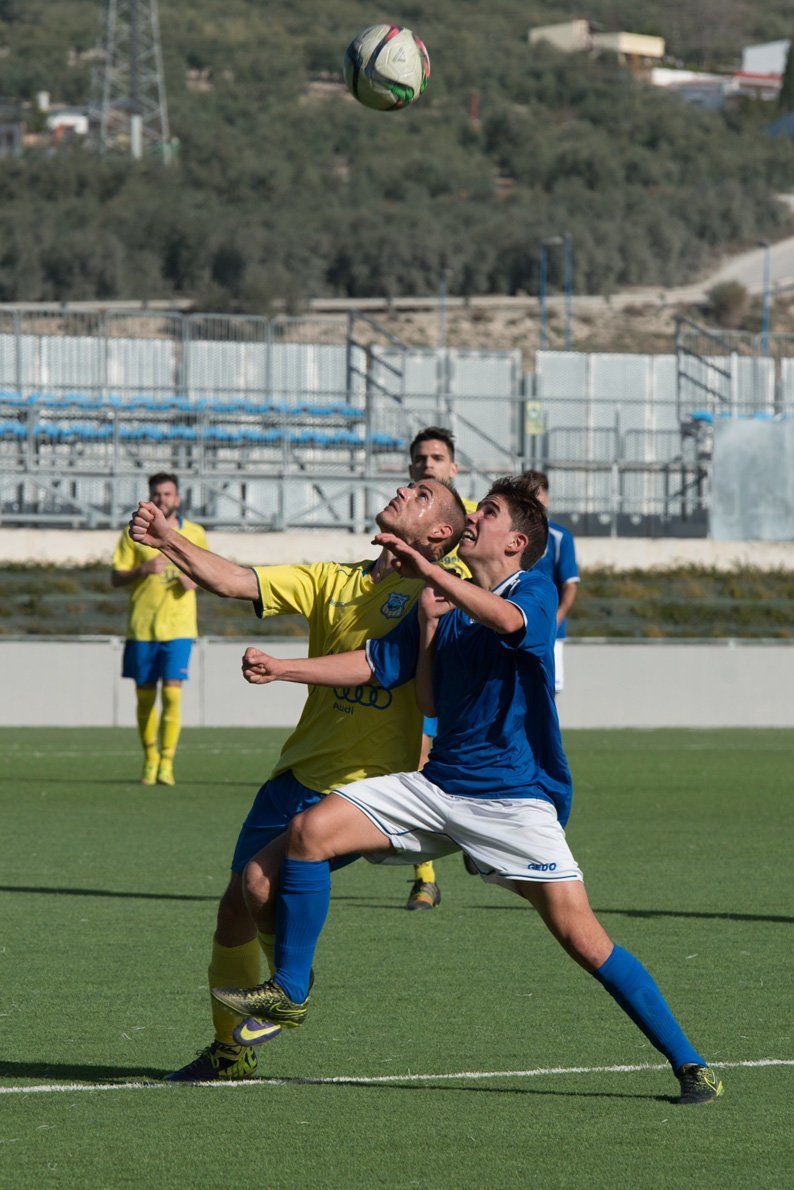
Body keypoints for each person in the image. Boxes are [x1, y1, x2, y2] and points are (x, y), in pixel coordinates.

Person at [213, 477, 723, 1106]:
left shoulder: (527, 587)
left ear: (515, 542)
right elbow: (424, 696)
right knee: (308, 833)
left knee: (583, 940)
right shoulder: (443, 602)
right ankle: (290, 992)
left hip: (512, 802)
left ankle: (690, 1062)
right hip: (440, 786)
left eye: (489, 511)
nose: (475, 518)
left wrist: (431, 574)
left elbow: (507, 621)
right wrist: (425, 626)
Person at [128, 478, 467, 1081]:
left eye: (419, 494)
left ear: (441, 532)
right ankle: (232, 1052)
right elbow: (237, 580)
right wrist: (168, 539)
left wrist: (285, 668)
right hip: (296, 771)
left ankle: (292, 981)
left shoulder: (442, 587)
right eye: (407, 484)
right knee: (233, 908)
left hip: (363, 785)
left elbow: (377, 666)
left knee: (259, 886)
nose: (401, 489)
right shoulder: (333, 579)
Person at [403, 425, 479, 910]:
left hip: (468, 661)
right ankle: (424, 877)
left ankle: (480, 839)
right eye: (420, 459)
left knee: (468, 761)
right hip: (423, 656)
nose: (427, 464)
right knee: (417, 760)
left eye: (437, 458)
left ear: (454, 468)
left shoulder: (474, 521)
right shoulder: (404, 517)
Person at [111, 472, 207, 787]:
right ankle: (150, 758)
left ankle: (166, 763)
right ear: (149, 497)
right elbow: (115, 577)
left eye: (167, 494)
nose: (162, 499)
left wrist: (194, 579)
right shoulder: (133, 534)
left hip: (179, 626)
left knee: (172, 695)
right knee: (143, 698)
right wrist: (142, 569)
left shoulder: (195, 533)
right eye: (157, 494)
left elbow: (209, 570)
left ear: (177, 499)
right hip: (142, 627)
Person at [522, 470, 579, 694]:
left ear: (546, 497)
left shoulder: (559, 536)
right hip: (514, 622)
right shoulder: (509, 534)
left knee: (547, 689)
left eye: (537, 493)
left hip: (549, 628)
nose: (533, 498)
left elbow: (570, 585)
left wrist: (554, 620)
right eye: (527, 493)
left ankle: (546, 731)